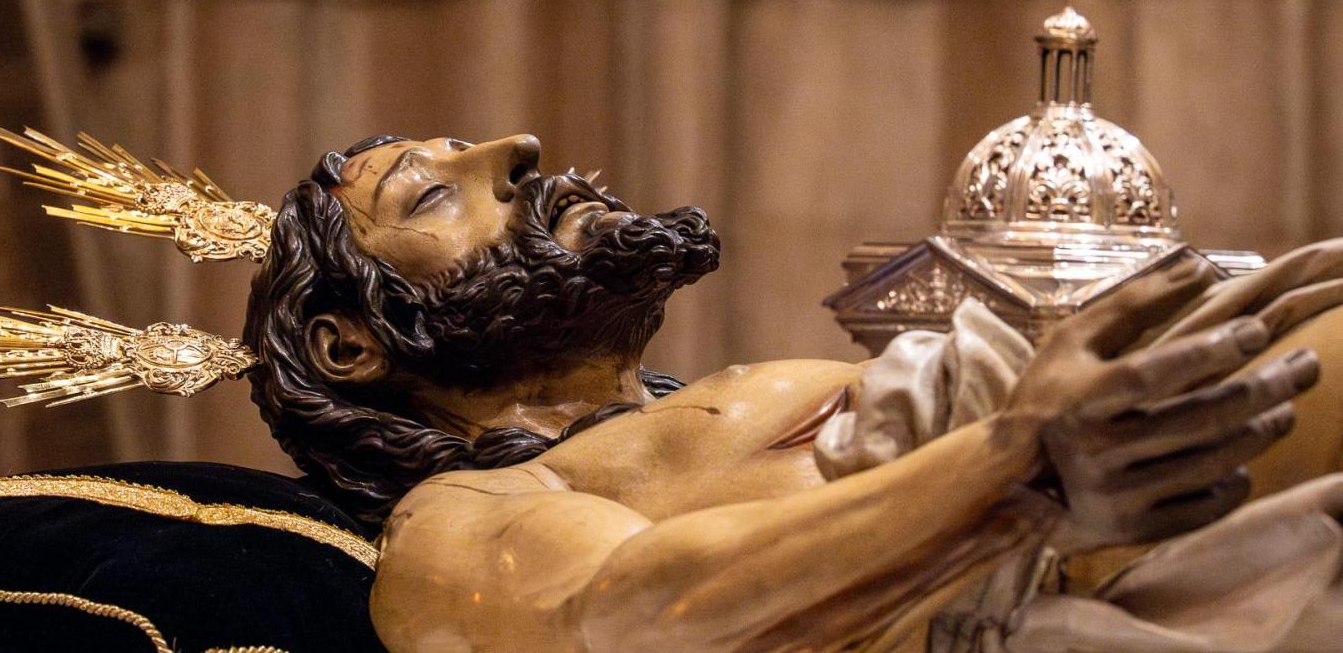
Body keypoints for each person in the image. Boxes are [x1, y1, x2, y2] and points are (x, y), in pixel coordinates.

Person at [241, 133, 1343, 653]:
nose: (521, 150)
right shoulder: (464, 517)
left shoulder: (714, 394)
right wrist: (1013, 472)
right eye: (435, 191)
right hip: (1014, 547)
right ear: (351, 349)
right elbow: (631, 610)